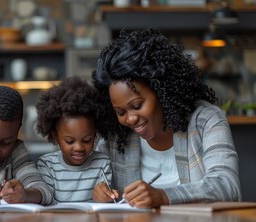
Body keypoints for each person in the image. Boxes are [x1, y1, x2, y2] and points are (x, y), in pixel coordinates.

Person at [92, 28, 241, 208]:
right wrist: (99, 191)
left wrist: (163, 196)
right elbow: (94, 179)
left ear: (162, 91)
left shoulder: (206, 120)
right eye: (120, 112)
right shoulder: (116, 137)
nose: (130, 119)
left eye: (137, 105)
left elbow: (227, 186)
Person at [35, 77, 117, 203]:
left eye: (87, 140)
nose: (79, 147)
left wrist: (105, 196)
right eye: (70, 141)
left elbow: (103, 202)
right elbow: (46, 201)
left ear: (95, 135)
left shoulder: (102, 162)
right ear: (55, 136)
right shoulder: (47, 165)